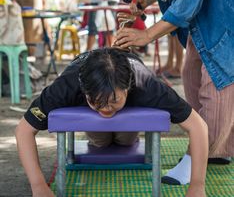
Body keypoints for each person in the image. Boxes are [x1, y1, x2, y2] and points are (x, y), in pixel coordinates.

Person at [108, 0, 234, 181]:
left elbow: (188, 2)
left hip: (225, 14)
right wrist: (140, 2)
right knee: (190, 78)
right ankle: (219, 148)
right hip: (206, 19)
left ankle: (198, 157)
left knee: (217, 82)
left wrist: (145, 35)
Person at [15, 47, 208, 197]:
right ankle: (102, 118)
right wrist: (38, 185)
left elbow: (197, 126)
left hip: (130, 98)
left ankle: (120, 125)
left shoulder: (147, 85)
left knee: (125, 142)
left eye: (114, 101)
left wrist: (197, 185)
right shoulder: (66, 86)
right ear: (84, 91)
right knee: (101, 143)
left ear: (128, 88)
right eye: (96, 102)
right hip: (87, 88)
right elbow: (24, 130)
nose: (106, 108)